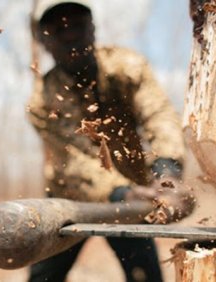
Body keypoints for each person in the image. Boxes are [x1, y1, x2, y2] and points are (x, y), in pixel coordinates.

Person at [27, 1, 194, 281]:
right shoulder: (42, 101)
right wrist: (123, 193)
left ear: (93, 28)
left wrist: (167, 174)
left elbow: (159, 115)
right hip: (68, 201)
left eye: (77, 25)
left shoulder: (127, 67)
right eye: (58, 29)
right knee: (44, 278)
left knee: (145, 276)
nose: (69, 35)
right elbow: (75, 162)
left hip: (132, 200)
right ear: (44, 40)